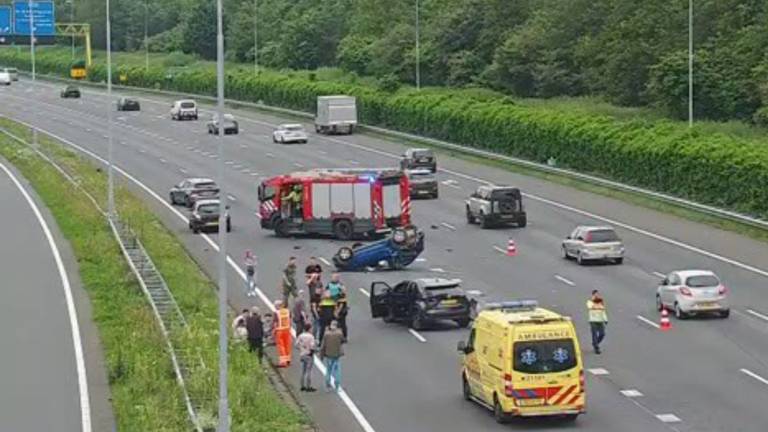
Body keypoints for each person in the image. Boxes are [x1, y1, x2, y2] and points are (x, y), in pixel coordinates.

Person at [320, 320, 344, 393]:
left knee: (328, 370)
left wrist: (321, 355)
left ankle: (327, 386)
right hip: (337, 355)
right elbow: (342, 340)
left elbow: (323, 346)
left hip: (328, 355)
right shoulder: (339, 333)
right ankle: (337, 386)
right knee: (337, 371)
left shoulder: (326, 334)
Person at [305, 257, 323, 340]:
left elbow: (320, 274)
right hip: (314, 302)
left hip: (319, 302)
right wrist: (311, 277)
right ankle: (314, 336)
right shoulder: (311, 285)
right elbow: (307, 279)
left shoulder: (319, 283)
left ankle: (317, 336)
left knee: (318, 322)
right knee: (316, 321)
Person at [295, 323, 317, 392]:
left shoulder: (300, 336)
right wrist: (314, 350)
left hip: (302, 354)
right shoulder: (311, 337)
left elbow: (296, 345)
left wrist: (301, 349)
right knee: (308, 371)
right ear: (309, 329)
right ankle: (308, 386)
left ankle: (302, 385)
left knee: (303, 371)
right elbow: (312, 346)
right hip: (309, 355)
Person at [587, 290, 608, 354]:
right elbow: (591, 307)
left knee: (602, 334)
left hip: (600, 320)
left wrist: (605, 319)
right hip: (593, 320)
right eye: (595, 294)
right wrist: (597, 304)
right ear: (593, 295)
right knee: (594, 335)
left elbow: (603, 311)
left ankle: (595, 343)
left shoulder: (601, 302)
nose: (597, 295)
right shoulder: (590, 302)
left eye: (597, 294)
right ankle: (596, 348)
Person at [273, 300, 293, 367]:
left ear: (278, 306)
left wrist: (274, 331)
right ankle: (288, 360)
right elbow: (290, 321)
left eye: (275, 306)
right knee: (287, 345)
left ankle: (283, 362)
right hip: (287, 330)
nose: (275, 307)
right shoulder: (288, 311)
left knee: (281, 346)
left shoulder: (277, 313)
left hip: (280, 331)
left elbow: (275, 323)